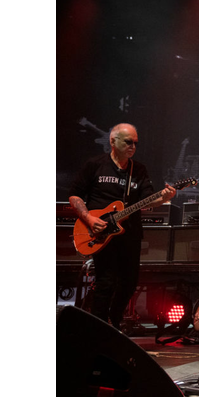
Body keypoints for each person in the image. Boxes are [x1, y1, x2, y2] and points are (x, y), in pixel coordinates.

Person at [69, 123, 177, 330]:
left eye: (135, 143)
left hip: (130, 234)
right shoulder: (95, 165)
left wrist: (164, 198)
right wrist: (89, 219)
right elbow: (75, 195)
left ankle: (114, 321)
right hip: (99, 232)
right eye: (128, 142)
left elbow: (148, 200)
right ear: (113, 141)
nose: (133, 146)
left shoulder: (139, 170)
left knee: (129, 283)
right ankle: (99, 329)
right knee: (106, 281)